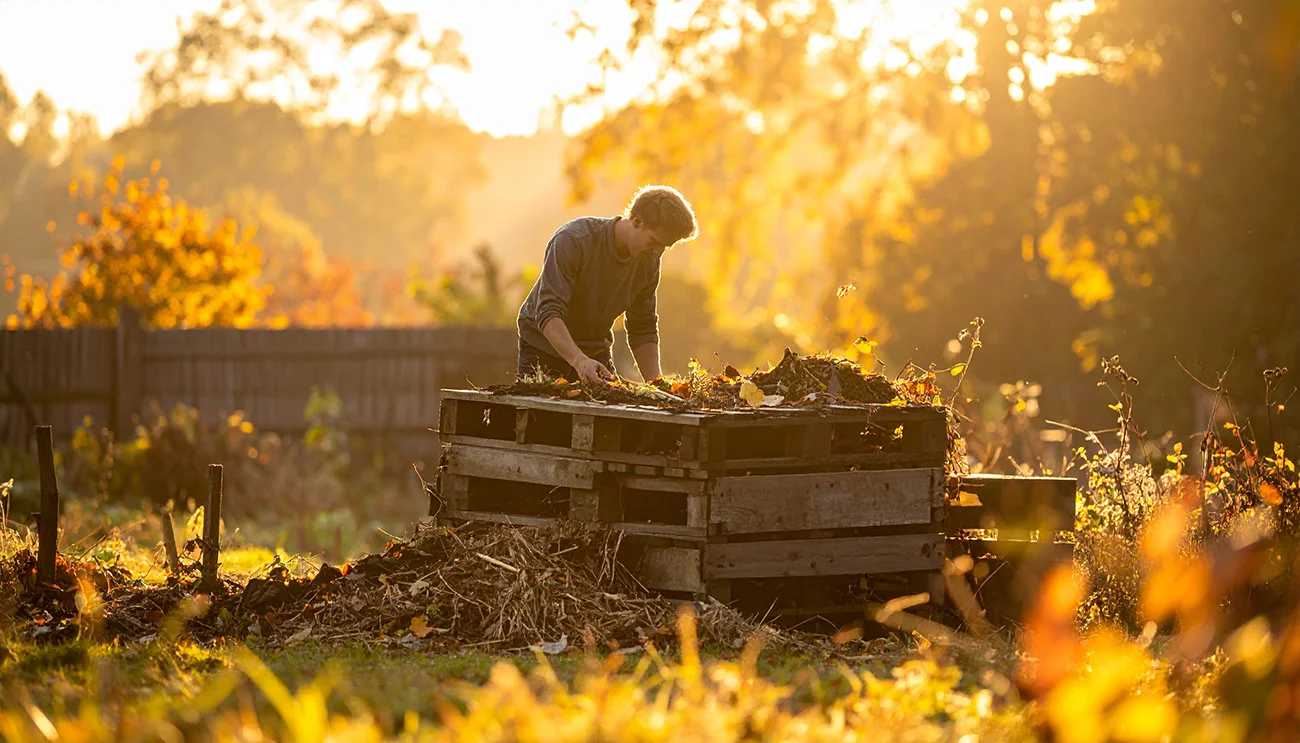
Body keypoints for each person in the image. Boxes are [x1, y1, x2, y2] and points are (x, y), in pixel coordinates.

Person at [516, 185, 699, 384]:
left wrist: (656, 384)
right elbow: (548, 312)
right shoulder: (573, 241)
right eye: (654, 241)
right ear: (638, 222)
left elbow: (642, 326)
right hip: (544, 351)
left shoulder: (649, 261)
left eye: (664, 246)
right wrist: (579, 361)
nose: (657, 252)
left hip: (595, 353)